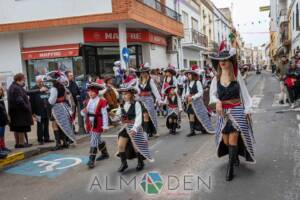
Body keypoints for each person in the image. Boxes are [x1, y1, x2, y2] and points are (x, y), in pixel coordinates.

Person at [209, 45, 255, 181]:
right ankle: (233, 157)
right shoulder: (215, 79)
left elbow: (245, 94)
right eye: (220, 60)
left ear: (230, 61)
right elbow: (212, 95)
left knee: (233, 137)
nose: (222, 62)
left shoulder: (237, 76)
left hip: (237, 111)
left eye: (225, 59)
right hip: (223, 113)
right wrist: (217, 101)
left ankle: (230, 168)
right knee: (226, 140)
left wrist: (247, 109)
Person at [115, 85, 153, 173]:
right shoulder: (122, 105)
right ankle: (124, 163)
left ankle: (140, 162)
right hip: (125, 127)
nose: (124, 96)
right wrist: (114, 117)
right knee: (120, 145)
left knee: (136, 147)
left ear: (131, 95)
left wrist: (135, 129)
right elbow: (117, 116)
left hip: (134, 127)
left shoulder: (136, 103)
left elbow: (139, 117)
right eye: (123, 94)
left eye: (126, 94)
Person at [81, 79, 110, 169]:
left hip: (98, 122)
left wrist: (105, 126)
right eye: (89, 92)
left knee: (93, 140)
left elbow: (105, 114)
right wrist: (83, 112)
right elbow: (84, 113)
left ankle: (91, 160)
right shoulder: (87, 101)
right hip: (90, 123)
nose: (90, 93)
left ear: (97, 92)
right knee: (97, 139)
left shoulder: (101, 101)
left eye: (92, 92)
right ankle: (105, 153)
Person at [47, 71, 76, 150]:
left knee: (55, 125)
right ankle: (65, 142)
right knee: (62, 124)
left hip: (57, 107)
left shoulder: (54, 88)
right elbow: (66, 97)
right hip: (64, 106)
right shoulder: (63, 86)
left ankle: (58, 143)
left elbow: (51, 101)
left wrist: (48, 97)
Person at [183, 66, 215, 137]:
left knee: (201, 115)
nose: (188, 76)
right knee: (191, 115)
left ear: (193, 75)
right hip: (191, 103)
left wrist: (193, 97)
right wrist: (186, 96)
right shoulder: (189, 83)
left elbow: (201, 92)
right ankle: (192, 131)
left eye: (189, 74)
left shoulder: (197, 82)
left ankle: (203, 128)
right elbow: (188, 92)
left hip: (198, 102)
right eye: (187, 74)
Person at [7, 73, 34, 148]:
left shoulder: (14, 86)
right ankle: (21, 144)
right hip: (19, 113)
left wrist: (38, 90)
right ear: (19, 80)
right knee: (21, 128)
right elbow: (20, 101)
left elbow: (26, 93)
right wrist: (27, 107)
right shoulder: (16, 88)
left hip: (16, 113)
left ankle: (18, 143)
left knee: (17, 128)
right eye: (23, 79)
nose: (24, 81)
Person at [136, 63, 162, 138]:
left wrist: (159, 100)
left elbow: (155, 91)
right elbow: (137, 91)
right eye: (142, 72)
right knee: (144, 116)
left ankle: (152, 131)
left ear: (147, 73)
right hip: (141, 100)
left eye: (144, 72)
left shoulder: (150, 81)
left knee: (150, 115)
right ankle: (146, 133)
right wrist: (136, 97)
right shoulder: (138, 81)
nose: (143, 74)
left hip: (149, 100)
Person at [30, 76, 53, 145]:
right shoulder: (33, 89)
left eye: (42, 81)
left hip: (46, 110)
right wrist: (33, 112)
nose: (41, 83)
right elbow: (31, 102)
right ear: (36, 82)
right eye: (39, 81)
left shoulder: (45, 88)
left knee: (46, 124)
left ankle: (47, 138)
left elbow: (49, 97)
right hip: (38, 111)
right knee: (40, 125)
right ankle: (40, 139)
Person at [0, 87, 10, 153]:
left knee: (2, 134)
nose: (0, 91)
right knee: (0, 134)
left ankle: (3, 147)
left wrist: (7, 118)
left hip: (3, 119)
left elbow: (4, 110)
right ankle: (1, 148)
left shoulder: (2, 99)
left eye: (1, 90)